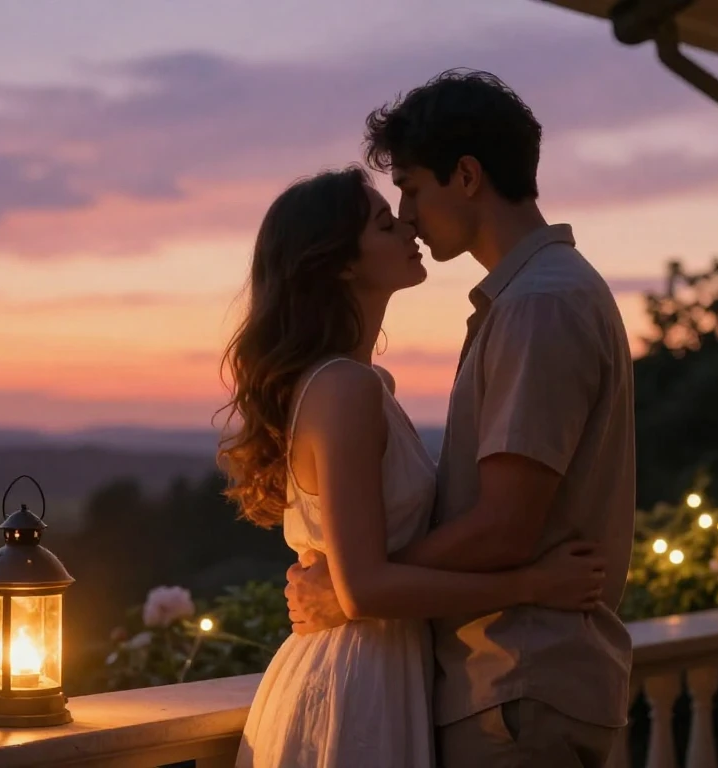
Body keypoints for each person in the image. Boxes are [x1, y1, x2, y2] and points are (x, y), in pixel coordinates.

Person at [284, 70, 635, 767]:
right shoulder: (531, 299)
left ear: (467, 176)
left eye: (412, 189)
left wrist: (353, 588)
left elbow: (506, 524)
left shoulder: (540, 304)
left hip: (517, 682)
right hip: (510, 685)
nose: (407, 214)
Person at [218, 164, 608, 768]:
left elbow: (359, 581)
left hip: (385, 667)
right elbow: (367, 586)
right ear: (342, 262)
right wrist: (534, 586)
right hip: (353, 681)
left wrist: (346, 589)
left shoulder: (363, 384)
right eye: (383, 223)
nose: (407, 226)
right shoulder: (344, 389)